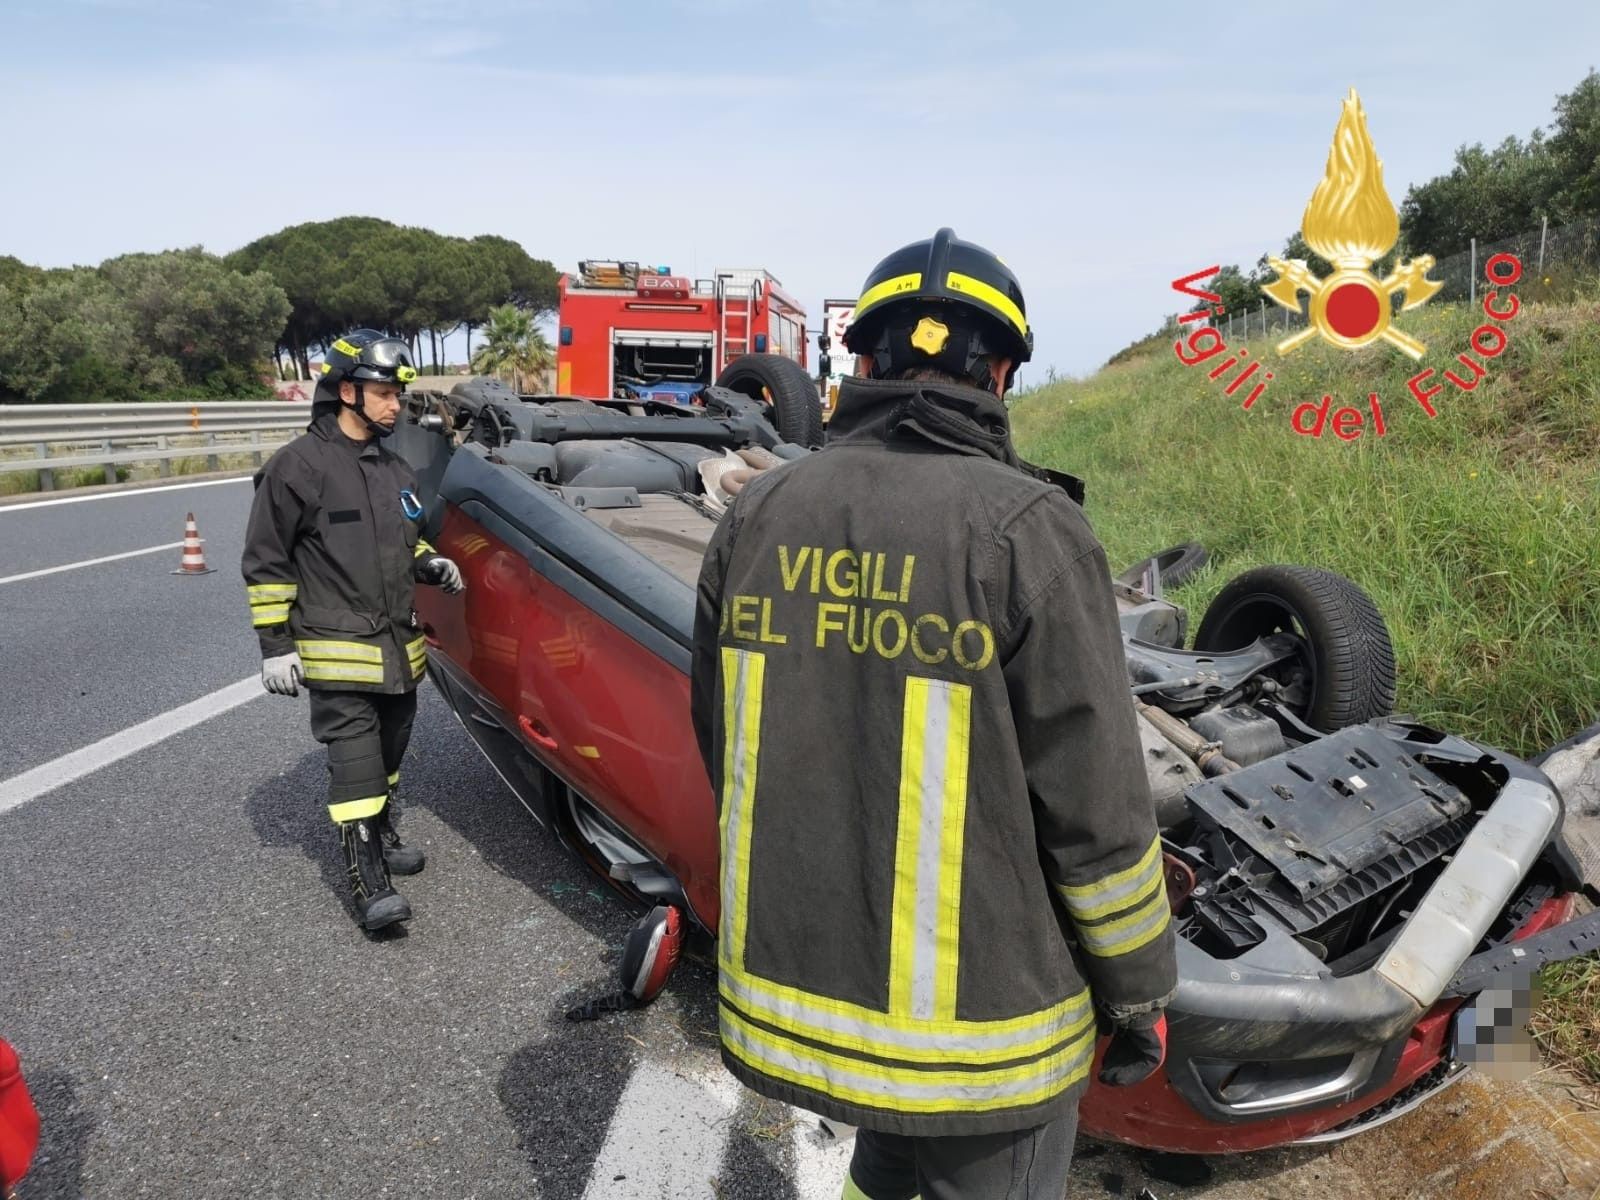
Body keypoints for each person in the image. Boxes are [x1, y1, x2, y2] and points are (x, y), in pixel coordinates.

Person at [690, 230, 1177, 1199]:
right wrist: (1141, 989)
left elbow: (723, 735)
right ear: (998, 371)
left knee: (880, 1169)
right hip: (986, 1039)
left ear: (863, 361)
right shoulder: (1030, 531)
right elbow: (1096, 815)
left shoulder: (758, 513)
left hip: (801, 998)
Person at [241, 330, 465, 932]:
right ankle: (371, 884)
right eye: (384, 393)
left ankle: (383, 828)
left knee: (391, 754)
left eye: (398, 394)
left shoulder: (396, 468)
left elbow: (407, 539)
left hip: (398, 650)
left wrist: (429, 562)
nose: (397, 405)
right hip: (336, 652)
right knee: (358, 764)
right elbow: (266, 563)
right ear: (346, 392)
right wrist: (275, 648)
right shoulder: (297, 467)